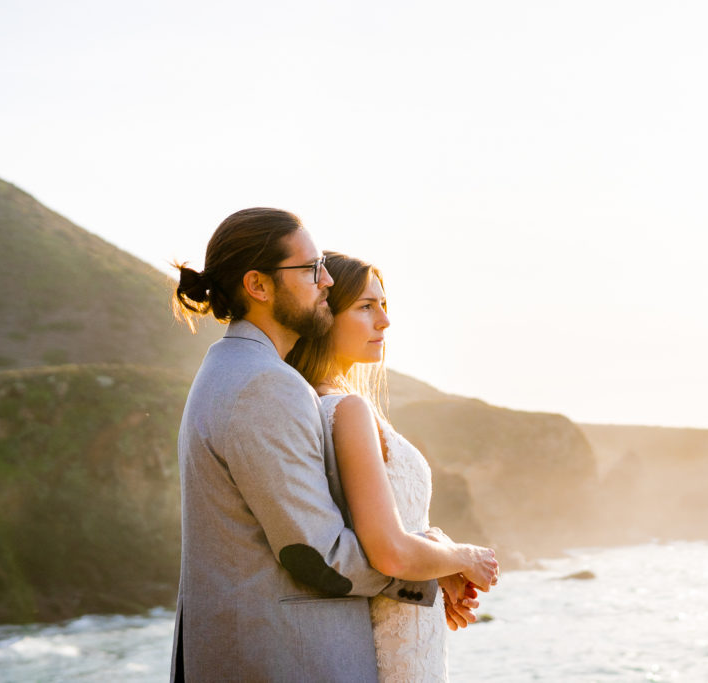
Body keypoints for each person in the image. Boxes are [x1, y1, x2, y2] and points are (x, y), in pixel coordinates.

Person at [169, 208, 457, 682]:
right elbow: (318, 556)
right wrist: (438, 560)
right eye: (309, 269)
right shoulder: (264, 385)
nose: (325, 280)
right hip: (288, 660)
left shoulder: (234, 370)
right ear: (258, 286)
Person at [287, 251, 499, 682]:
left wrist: (436, 564)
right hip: (391, 641)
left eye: (384, 306)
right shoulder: (346, 410)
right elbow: (387, 551)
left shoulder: (322, 404)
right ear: (324, 314)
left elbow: (367, 533)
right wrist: (465, 556)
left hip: (403, 622)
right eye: (366, 307)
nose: (384, 321)